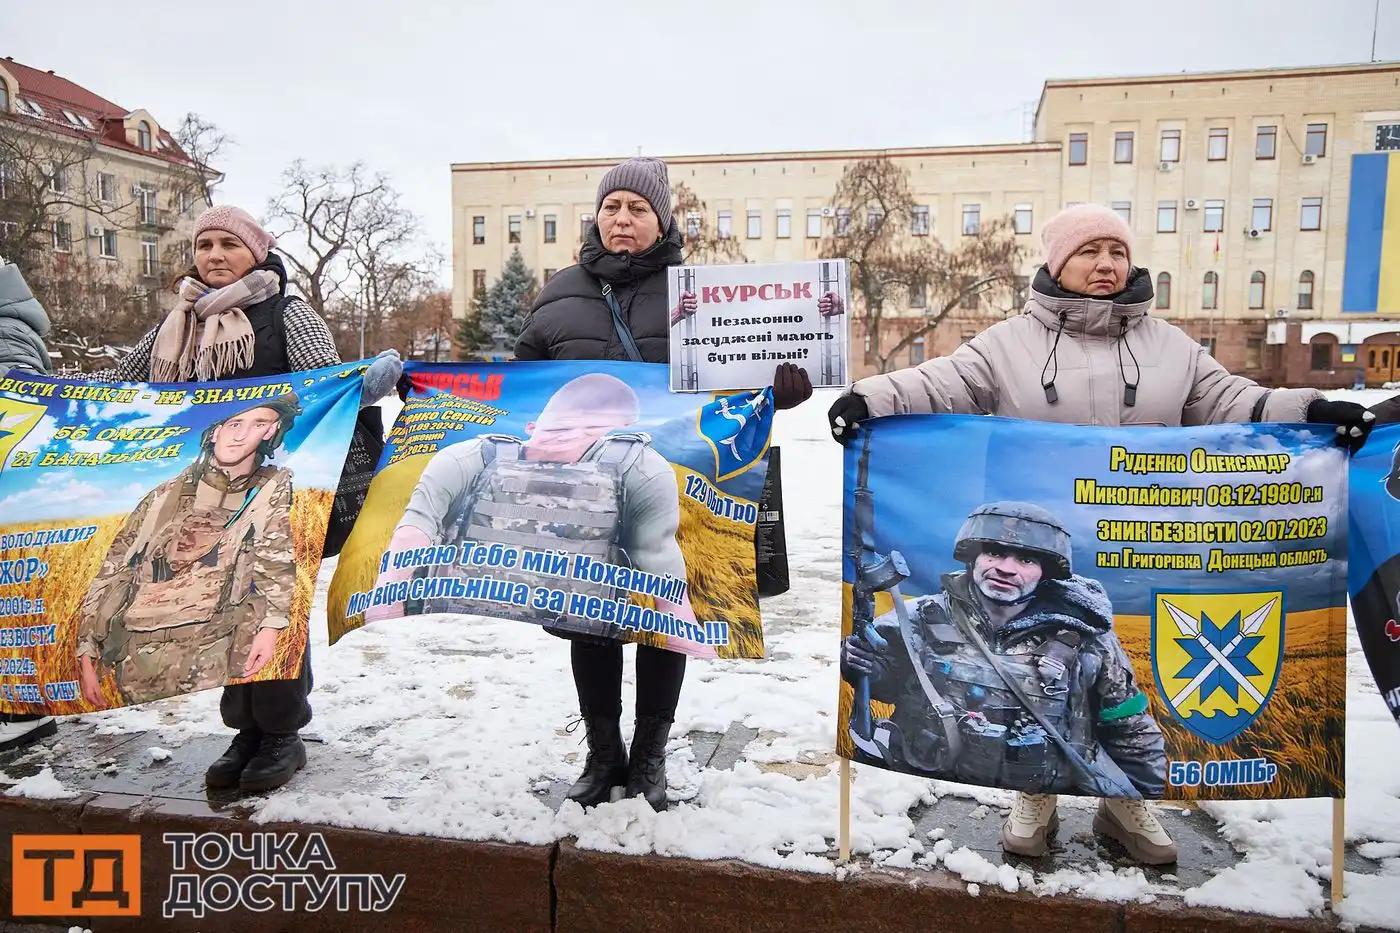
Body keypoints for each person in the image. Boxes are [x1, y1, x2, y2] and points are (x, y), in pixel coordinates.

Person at [827, 203, 1374, 862]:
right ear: (1059, 261)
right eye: (1090, 251)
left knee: (1102, 673)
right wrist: (869, 399)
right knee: (1025, 669)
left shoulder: (1170, 346)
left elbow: (1237, 401)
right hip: (1032, 533)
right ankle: (1034, 792)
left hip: (1140, 538)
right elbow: (940, 383)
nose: (1107, 264)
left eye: (1117, 251)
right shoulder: (1009, 343)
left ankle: (1126, 806)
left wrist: (1312, 411)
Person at [512, 157, 819, 812]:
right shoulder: (558, 293)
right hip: (581, 490)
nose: (623, 219)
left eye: (638, 209)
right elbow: (518, 389)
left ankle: (650, 755)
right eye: (612, 206)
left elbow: (744, 382)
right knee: (588, 619)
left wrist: (781, 389)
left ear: (662, 220)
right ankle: (603, 755)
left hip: (674, 486)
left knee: (662, 617)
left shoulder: (701, 296)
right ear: (596, 215)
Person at [96, 205, 402, 792]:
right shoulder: (176, 320)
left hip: (275, 487)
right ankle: (244, 730)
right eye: (204, 244)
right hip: (204, 489)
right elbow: (123, 388)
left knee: (269, 600)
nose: (213, 255)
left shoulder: (288, 312)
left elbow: (323, 385)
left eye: (228, 245)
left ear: (256, 253)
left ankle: (283, 732)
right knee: (221, 603)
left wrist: (364, 386)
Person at [365, 372, 700, 808]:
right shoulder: (473, 455)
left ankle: (649, 757)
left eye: (592, 432)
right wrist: (429, 388)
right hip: (575, 584)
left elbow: (656, 555)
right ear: (530, 425)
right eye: (560, 427)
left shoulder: (640, 466)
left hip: (678, 434)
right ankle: (605, 755)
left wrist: (686, 627)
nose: (572, 438)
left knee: (657, 636)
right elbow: (418, 520)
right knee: (588, 628)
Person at [841, 502, 1170, 862]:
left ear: (1046, 572)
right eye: (995, 553)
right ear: (973, 556)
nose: (1006, 569)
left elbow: (1127, 724)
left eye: (1026, 560)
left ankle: (1109, 808)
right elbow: (888, 684)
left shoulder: (1087, 637)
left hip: (1049, 766)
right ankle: (1036, 800)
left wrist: (1139, 791)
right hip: (936, 761)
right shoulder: (921, 616)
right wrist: (862, 666)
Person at [76, 395, 300, 720]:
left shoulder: (270, 489)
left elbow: (274, 559)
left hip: (214, 649)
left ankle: (262, 738)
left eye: (258, 424)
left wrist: (271, 625)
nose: (241, 434)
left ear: (271, 431)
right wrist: (87, 650)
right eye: (234, 423)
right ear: (214, 432)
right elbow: (115, 571)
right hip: (140, 656)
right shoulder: (164, 497)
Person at [0, 255, 57, 752]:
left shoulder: (8, 330)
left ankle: (22, 713)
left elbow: (19, 405)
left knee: (12, 603)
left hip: (10, 492)